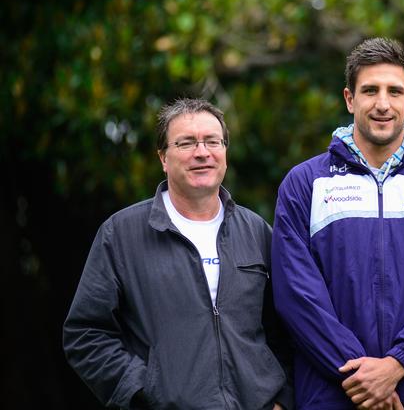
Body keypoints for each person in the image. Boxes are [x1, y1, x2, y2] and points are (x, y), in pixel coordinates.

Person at [271, 37, 404, 409]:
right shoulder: (304, 184)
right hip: (330, 395)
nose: (382, 103)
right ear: (350, 99)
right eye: (370, 90)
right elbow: (297, 295)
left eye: (394, 91)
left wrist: (397, 365)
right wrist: (363, 379)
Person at [63, 98, 293, 409]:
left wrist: (281, 398)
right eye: (186, 143)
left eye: (212, 141)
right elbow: (86, 334)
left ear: (225, 152)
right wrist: (142, 393)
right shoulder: (121, 234)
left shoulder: (256, 232)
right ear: (163, 157)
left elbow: (288, 326)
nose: (202, 152)